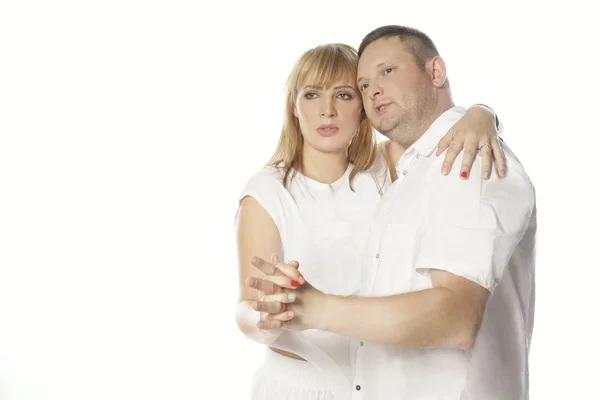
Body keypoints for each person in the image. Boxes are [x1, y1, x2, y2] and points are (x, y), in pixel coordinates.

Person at [248, 26, 536, 400]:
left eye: (387, 71)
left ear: (436, 72)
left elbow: (457, 316)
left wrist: (317, 308)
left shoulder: (467, 160)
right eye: (364, 85)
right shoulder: (411, 172)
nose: (374, 91)